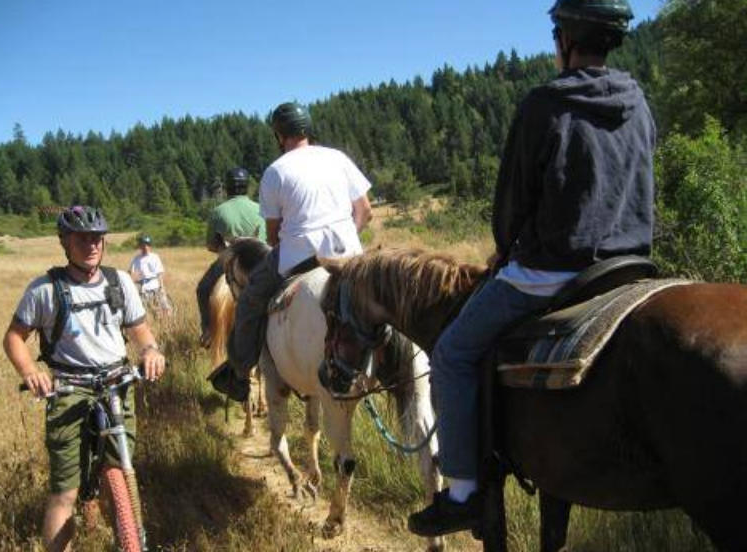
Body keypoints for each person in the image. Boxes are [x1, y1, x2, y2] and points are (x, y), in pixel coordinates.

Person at [408, 0, 656, 537]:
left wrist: (503, 246)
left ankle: (464, 492)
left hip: (552, 271)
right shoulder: (638, 99)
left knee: (452, 352)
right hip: (631, 268)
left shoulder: (545, 103)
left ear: (566, 37)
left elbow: (511, 201)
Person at [3, 206, 166, 552]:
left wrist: (150, 350)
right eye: (82, 239)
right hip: (68, 389)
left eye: (97, 238)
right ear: (65, 242)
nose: (91, 245)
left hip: (116, 383)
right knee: (65, 491)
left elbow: (139, 329)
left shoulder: (119, 281)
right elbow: (14, 337)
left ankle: (123, 532)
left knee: (119, 471)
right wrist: (31, 372)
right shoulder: (45, 289)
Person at [211, 101, 373, 401]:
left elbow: (273, 235)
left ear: (279, 135)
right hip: (350, 254)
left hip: (299, 258)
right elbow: (364, 210)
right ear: (307, 129)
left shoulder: (275, 171)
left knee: (248, 302)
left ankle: (239, 375)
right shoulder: (337, 157)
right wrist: (347, 238)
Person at [196, 167, 266, 346]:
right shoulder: (260, 209)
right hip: (259, 262)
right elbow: (269, 241)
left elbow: (211, 245)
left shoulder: (218, 211)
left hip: (228, 259)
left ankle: (208, 332)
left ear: (228, 187)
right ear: (246, 186)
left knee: (203, 290)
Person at [129, 234, 171, 315]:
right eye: (143, 245)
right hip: (143, 289)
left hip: (155, 287)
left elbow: (159, 273)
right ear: (140, 246)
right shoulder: (136, 259)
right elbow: (130, 272)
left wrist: (162, 288)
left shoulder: (155, 257)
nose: (145, 247)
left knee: (164, 309)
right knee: (145, 312)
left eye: (147, 245)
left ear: (150, 246)